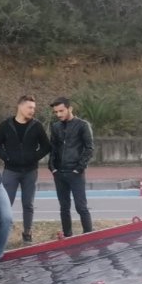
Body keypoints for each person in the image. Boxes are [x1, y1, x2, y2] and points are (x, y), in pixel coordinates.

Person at [0, 95, 51, 245]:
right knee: (5, 203)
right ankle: (2, 232)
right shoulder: (6, 125)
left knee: (28, 203)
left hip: (30, 171)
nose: (32, 111)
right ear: (20, 106)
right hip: (10, 171)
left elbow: (46, 146)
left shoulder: (36, 126)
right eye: (30, 107)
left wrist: (34, 157)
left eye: (34, 108)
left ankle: (27, 233)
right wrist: (7, 157)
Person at [48, 97, 94, 236]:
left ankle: (89, 235)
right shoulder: (55, 127)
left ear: (70, 109)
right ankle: (68, 237)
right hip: (59, 173)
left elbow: (89, 148)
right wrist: (52, 167)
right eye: (56, 112)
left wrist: (79, 168)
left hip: (75, 173)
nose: (59, 114)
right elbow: (53, 148)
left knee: (81, 207)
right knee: (64, 208)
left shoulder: (82, 125)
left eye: (61, 111)